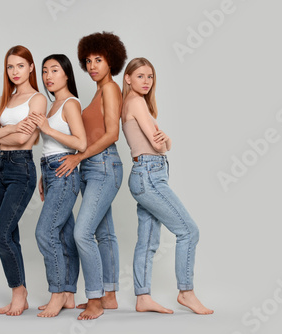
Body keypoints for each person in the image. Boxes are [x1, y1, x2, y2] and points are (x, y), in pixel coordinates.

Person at [121, 57, 213, 315]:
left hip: (145, 174)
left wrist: (166, 142)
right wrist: (167, 141)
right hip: (149, 174)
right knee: (189, 231)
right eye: (140, 76)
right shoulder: (136, 102)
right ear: (127, 78)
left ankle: (142, 297)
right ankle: (186, 292)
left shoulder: (133, 103)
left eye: (150, 76)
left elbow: (160, 143)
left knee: (148, 241)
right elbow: (159, 144)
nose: (147, 81)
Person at [56, 32, 127, 320]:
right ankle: (109, 296)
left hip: (104, 165)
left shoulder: (110, 89)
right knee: (104, 233)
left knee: (81, 233)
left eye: (99, 59)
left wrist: (78, 157)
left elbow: (112, 134)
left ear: (112, 60)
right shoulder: (98, 91)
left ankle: (95, 298)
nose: (93, 65)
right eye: (89, 61)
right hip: (92, 167)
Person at [0, 45, 47, 316]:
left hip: (21, 168)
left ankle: (20, 293)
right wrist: (7, 129)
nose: (15, 71)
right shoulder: (5, 98)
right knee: (10, 234)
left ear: (31, 67)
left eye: (20, 65)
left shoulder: (38, 99)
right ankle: (19, 294)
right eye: (10, 67)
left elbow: (23, 139)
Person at [28, 54, 87, 317]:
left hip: (64, 171)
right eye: (44, 71)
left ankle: (57, 293)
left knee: (45, 232)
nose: (48, 76)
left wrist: (47, 129)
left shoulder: (70, 103)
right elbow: (50, 147)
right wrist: (43, 175)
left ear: (66, 74)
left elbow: (81, 143)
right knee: (63, 234)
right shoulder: (52, 105)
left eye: (54, 70)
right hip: (50, 171)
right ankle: (70, 295)